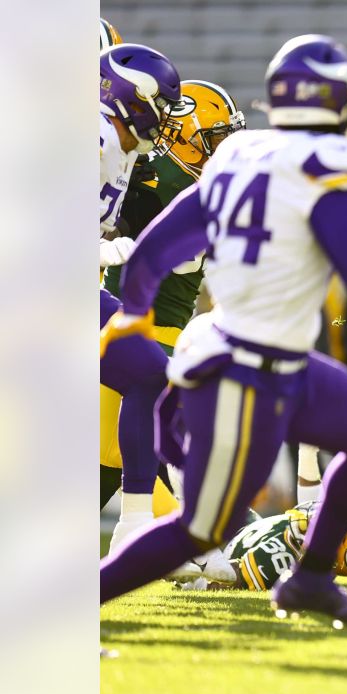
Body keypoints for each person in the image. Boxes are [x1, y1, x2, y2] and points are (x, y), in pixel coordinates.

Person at [99, 34, 347, 627]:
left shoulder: (238, 157)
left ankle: (309, 581)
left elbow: (157, 247)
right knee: (202, 529)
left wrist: (132, 312)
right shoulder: (326, 166)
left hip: (272, 354)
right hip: (247, 364)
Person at [101, 79, 245, 534]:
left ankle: (201, 540)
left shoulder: (182, 181)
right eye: (214, 137)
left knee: (115, 461)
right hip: (136, 329)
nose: (222, 149)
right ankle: (202, 543)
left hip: (156, 331)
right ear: (184, 132)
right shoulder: (156, 178)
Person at [98, 42, 183, 552]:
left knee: (150, 373)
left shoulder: (122, 147)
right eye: (162, 104)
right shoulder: (93, 136)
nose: (165, 119)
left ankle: (134, 525)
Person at [175, 502, 347, 591]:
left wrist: (197, 577)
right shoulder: (301, 537)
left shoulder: (287, 552)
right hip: (245, 531)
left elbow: (230, 579)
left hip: (225, 553)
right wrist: (307, 453)